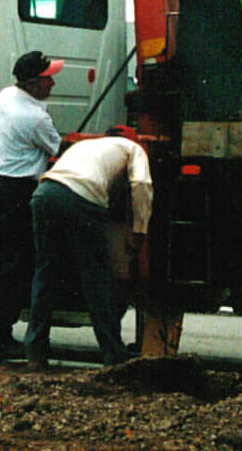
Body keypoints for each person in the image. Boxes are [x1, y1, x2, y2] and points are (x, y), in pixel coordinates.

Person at [25, 129, 153, 368]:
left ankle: (35, 353)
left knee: (45, 275)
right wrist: (140, 229)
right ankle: (114, 357)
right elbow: (141, 183)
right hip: (81, 199)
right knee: (96, 279)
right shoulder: (133, 149)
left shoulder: (86, 146)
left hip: (44, 195)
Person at [0, 49, 62, 362]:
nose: (53, 84)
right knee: (14, 268)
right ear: (34, 84)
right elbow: (56, 147)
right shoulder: (34, 118)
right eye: (49, 79)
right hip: (18, 191)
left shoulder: (6, 96)